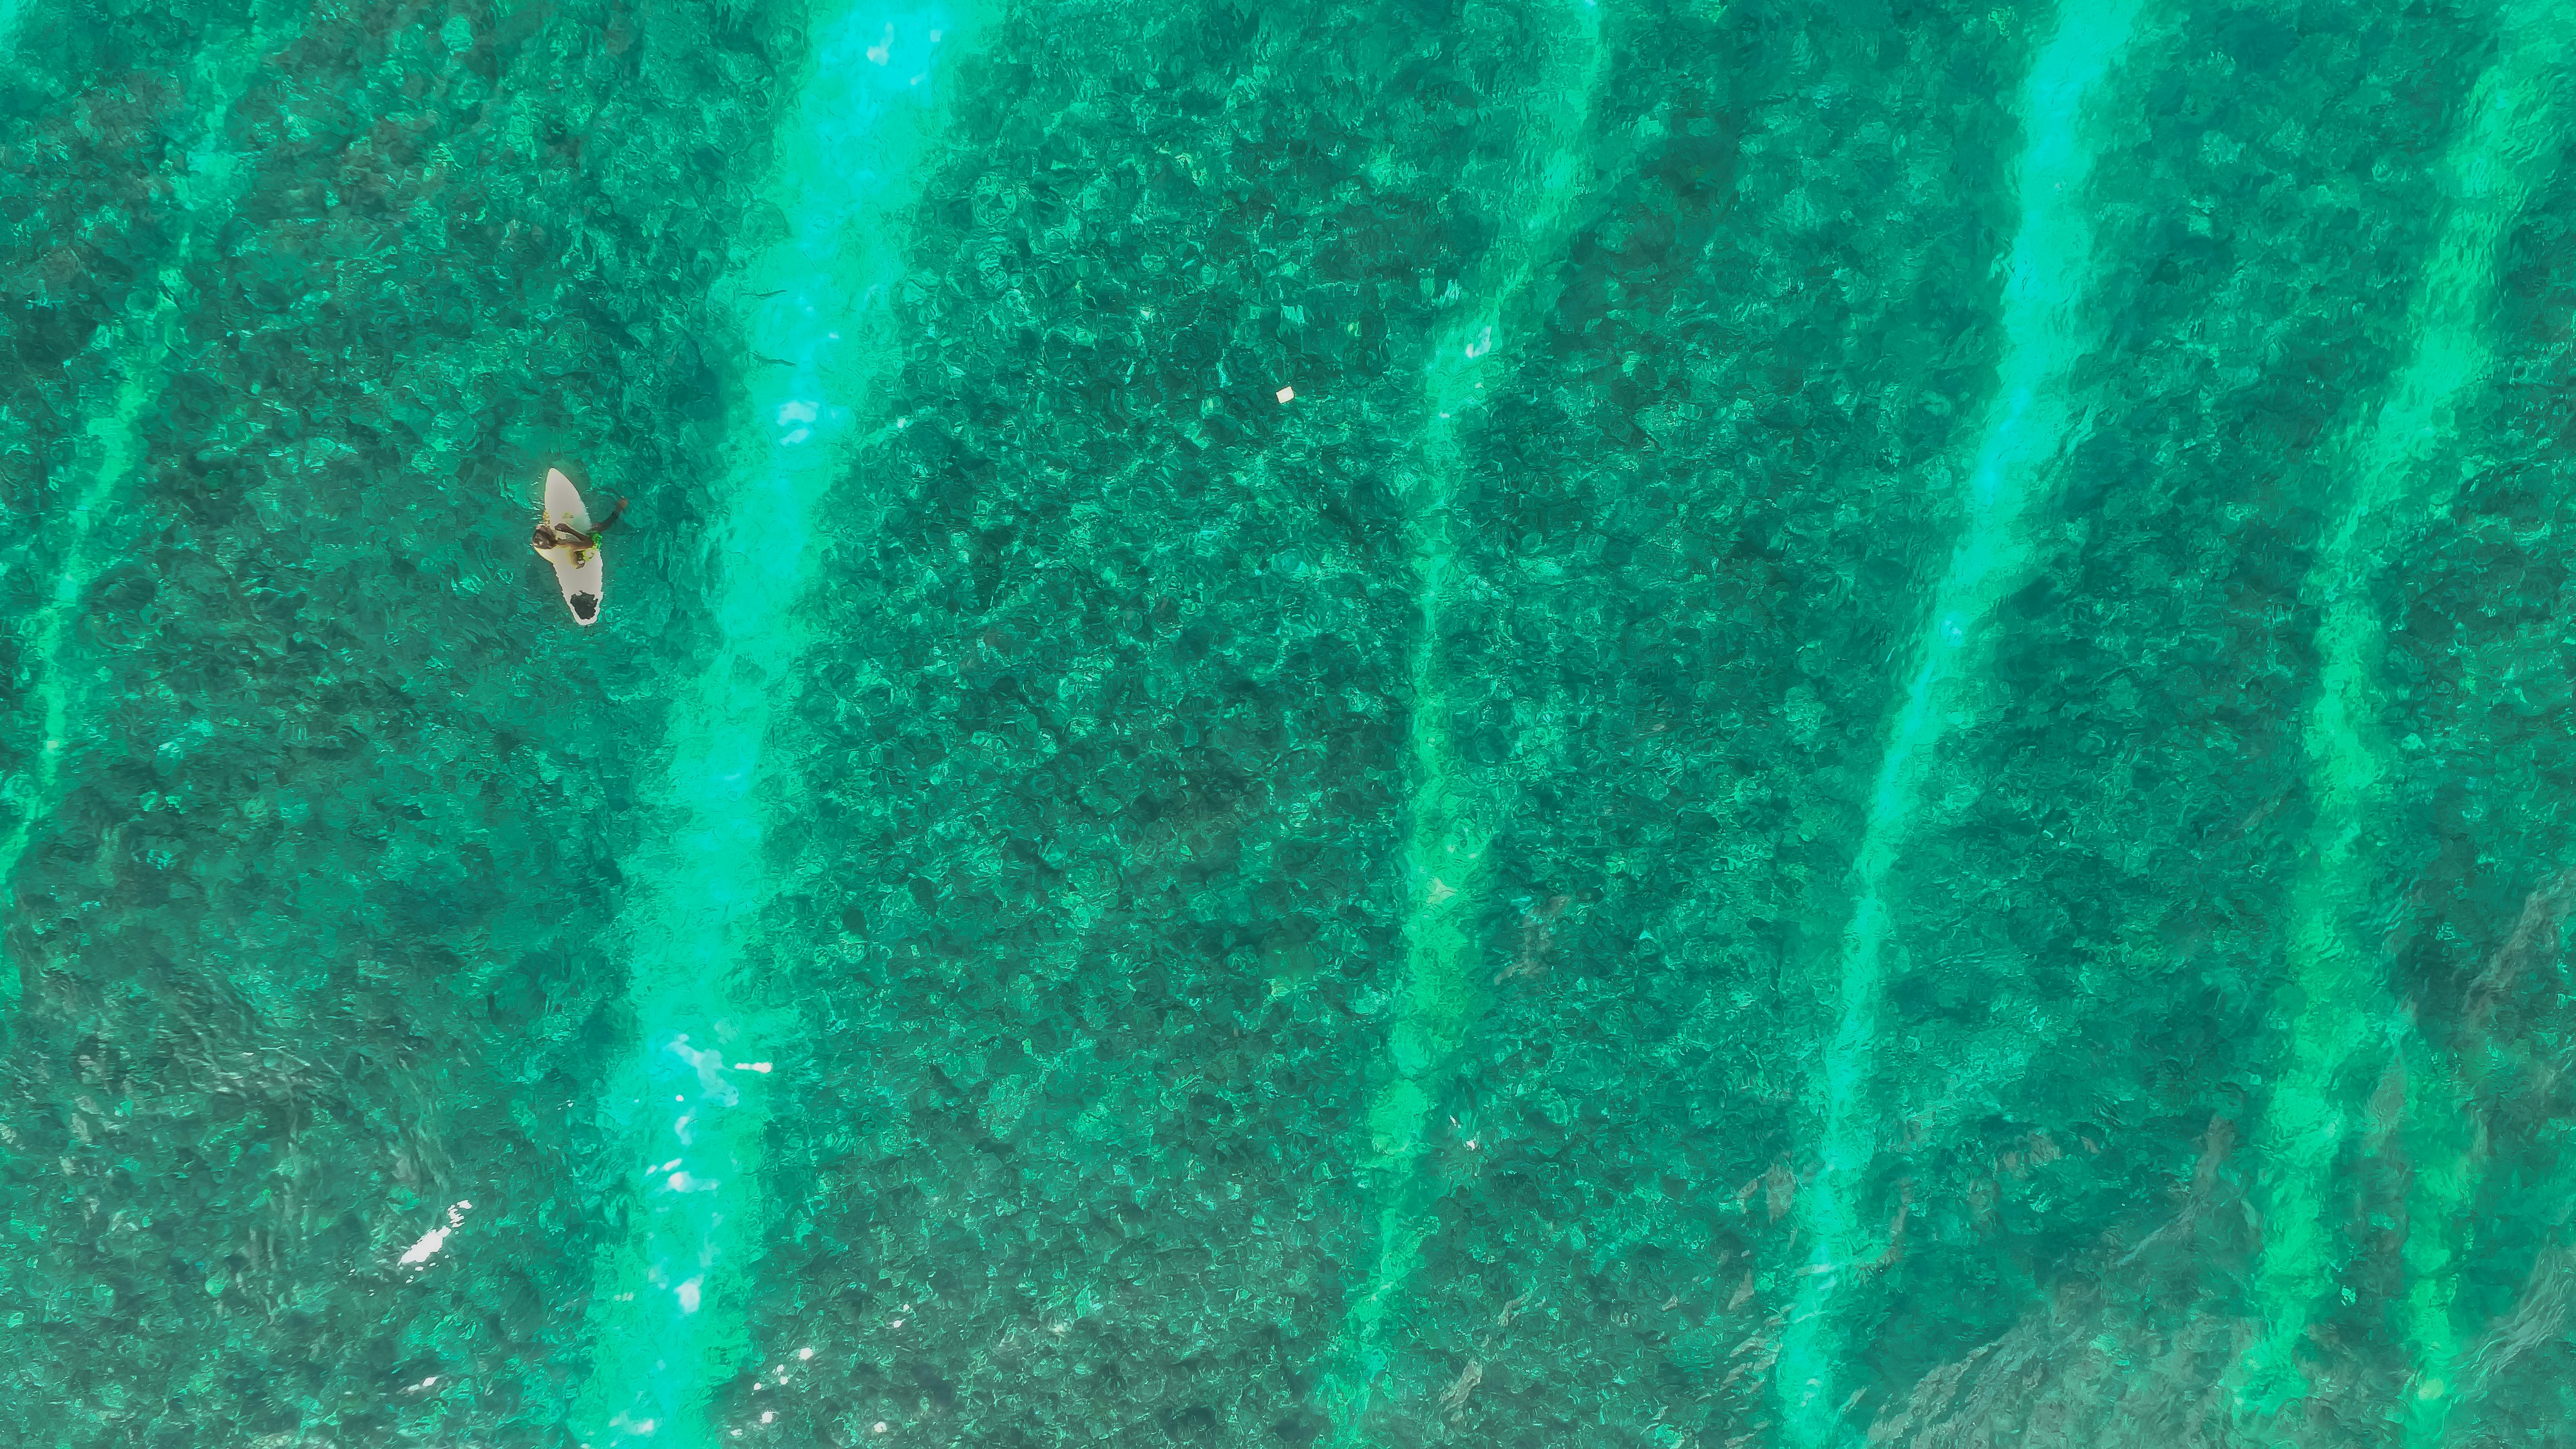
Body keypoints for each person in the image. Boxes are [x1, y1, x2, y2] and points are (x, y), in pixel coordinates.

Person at [532, 495, 629, 552]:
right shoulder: (566, 546)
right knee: (598, 527)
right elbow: (590, 543)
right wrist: (568, 530)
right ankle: (617, 512)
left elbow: (544, 536)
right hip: (587, 548)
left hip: (558, 540)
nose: (542, 526)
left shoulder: (545, 544)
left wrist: (545, 522)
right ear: (551, 537)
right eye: (545, 529)